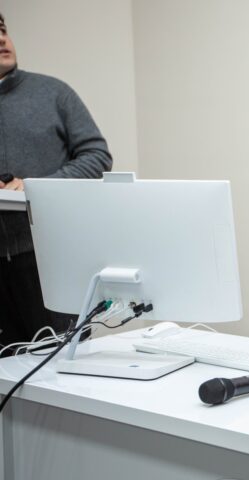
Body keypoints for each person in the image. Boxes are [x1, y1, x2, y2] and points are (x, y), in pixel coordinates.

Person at [0, 12, 112, 349]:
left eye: (3, 30)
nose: (2, 40)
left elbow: (97, 157)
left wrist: (37, 186)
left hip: (50, 258)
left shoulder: (54, 93)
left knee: (65, 359)